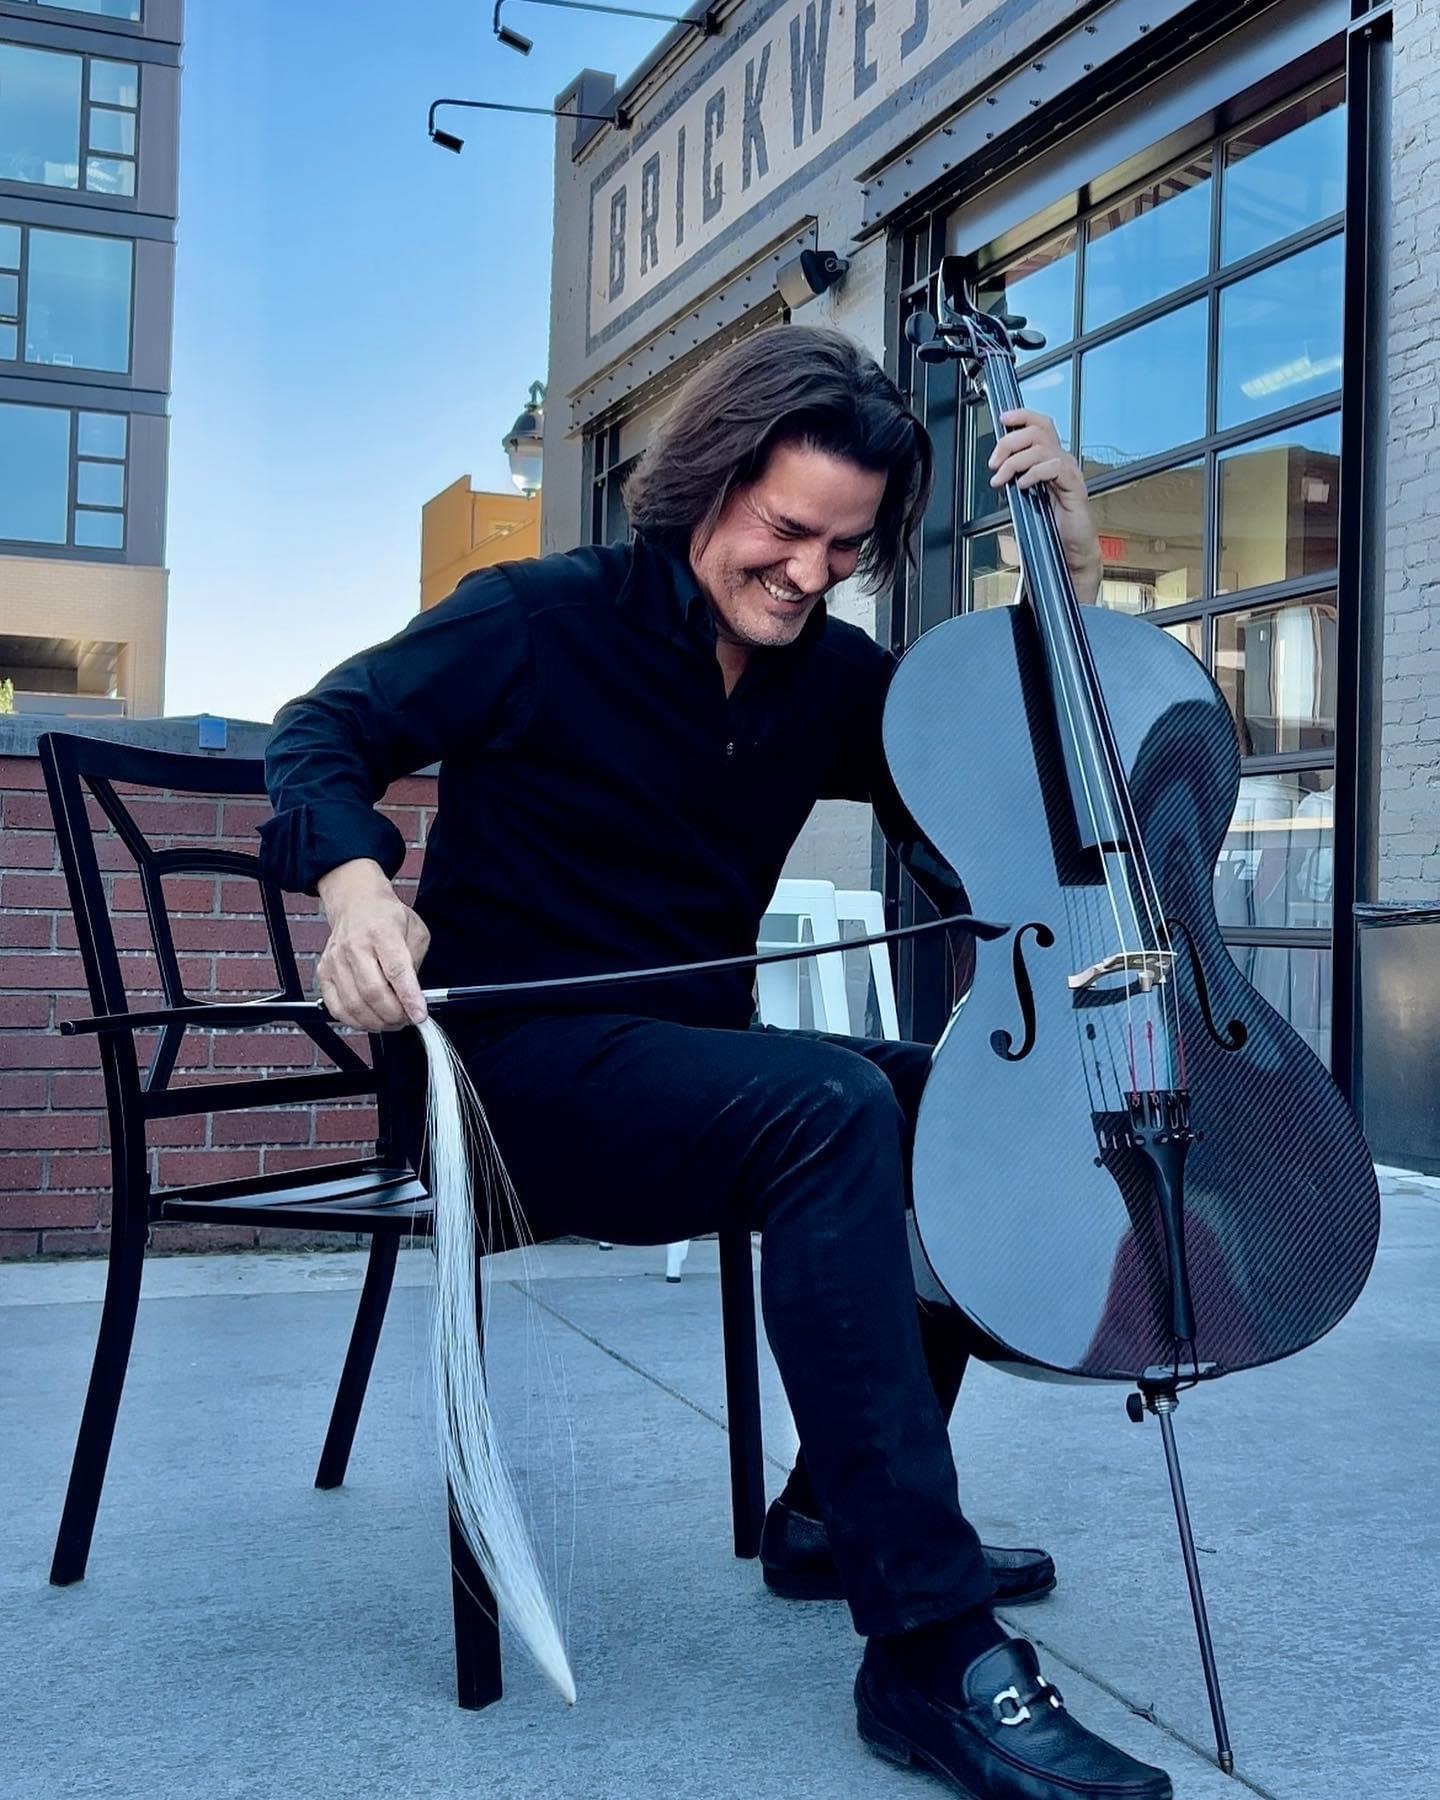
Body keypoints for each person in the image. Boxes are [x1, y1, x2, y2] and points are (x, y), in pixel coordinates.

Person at [260, 326, 1171, 1800]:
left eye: (845, 549)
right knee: (830, 1105)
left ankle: (832, 1519)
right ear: (707, 482)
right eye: (784, 529)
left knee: (945, 1104)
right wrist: (358, 889)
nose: (808, 574)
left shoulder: (831, 680)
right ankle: (931, 1646)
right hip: (504, 1083)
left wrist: (1066, 573)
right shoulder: (537, 617)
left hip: (688, 1073)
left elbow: (1019, 779)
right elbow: (322, 732)